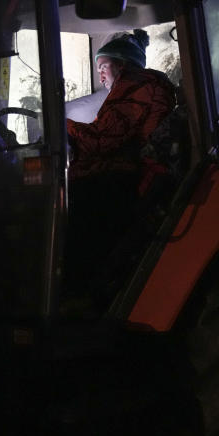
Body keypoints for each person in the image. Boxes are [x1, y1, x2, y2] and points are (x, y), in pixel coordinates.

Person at [63, 30, 179, 301]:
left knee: (68, 205)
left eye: (104, 66)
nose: (101, 74)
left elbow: (104, 139)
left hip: (129, 173)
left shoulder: (136, 85)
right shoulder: (140, 87)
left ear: (123, 64)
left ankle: (77, 293)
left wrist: (61, 126)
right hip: (128, 169)